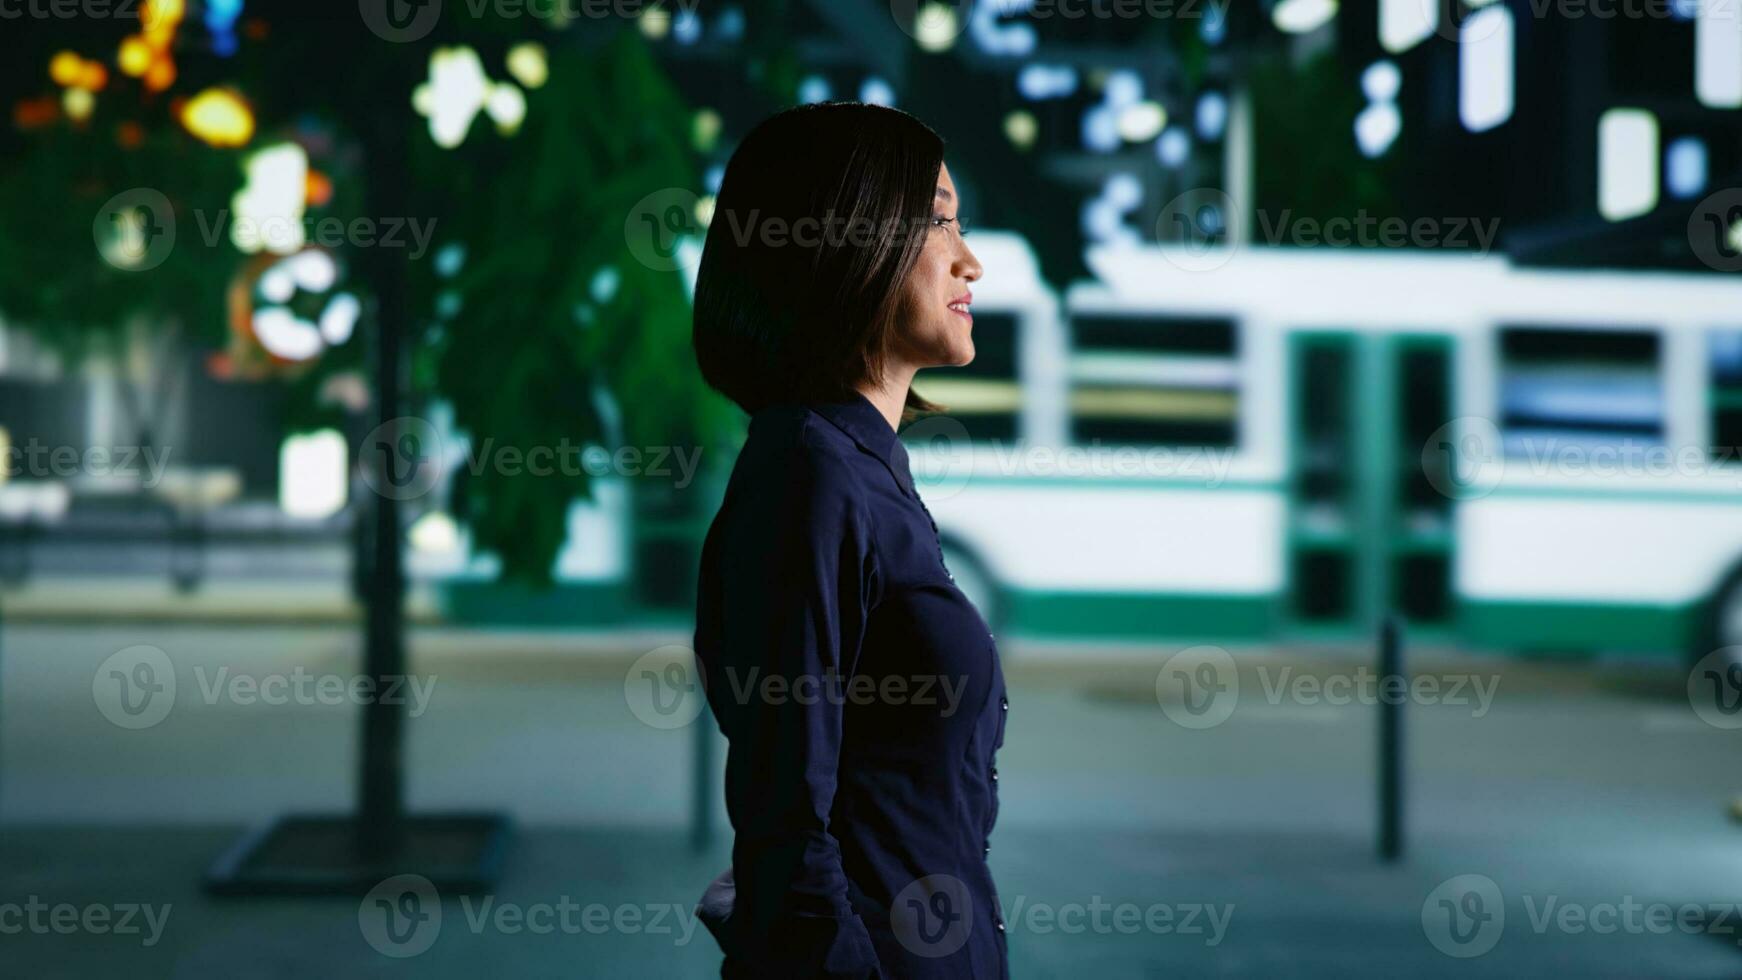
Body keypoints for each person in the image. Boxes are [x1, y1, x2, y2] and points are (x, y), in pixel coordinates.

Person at [690, 101, 1008, 979]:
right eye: (938, 220)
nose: (969, 259)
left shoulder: (861, 465)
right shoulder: (811, 472)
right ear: (848, 241)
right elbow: (788, 829)